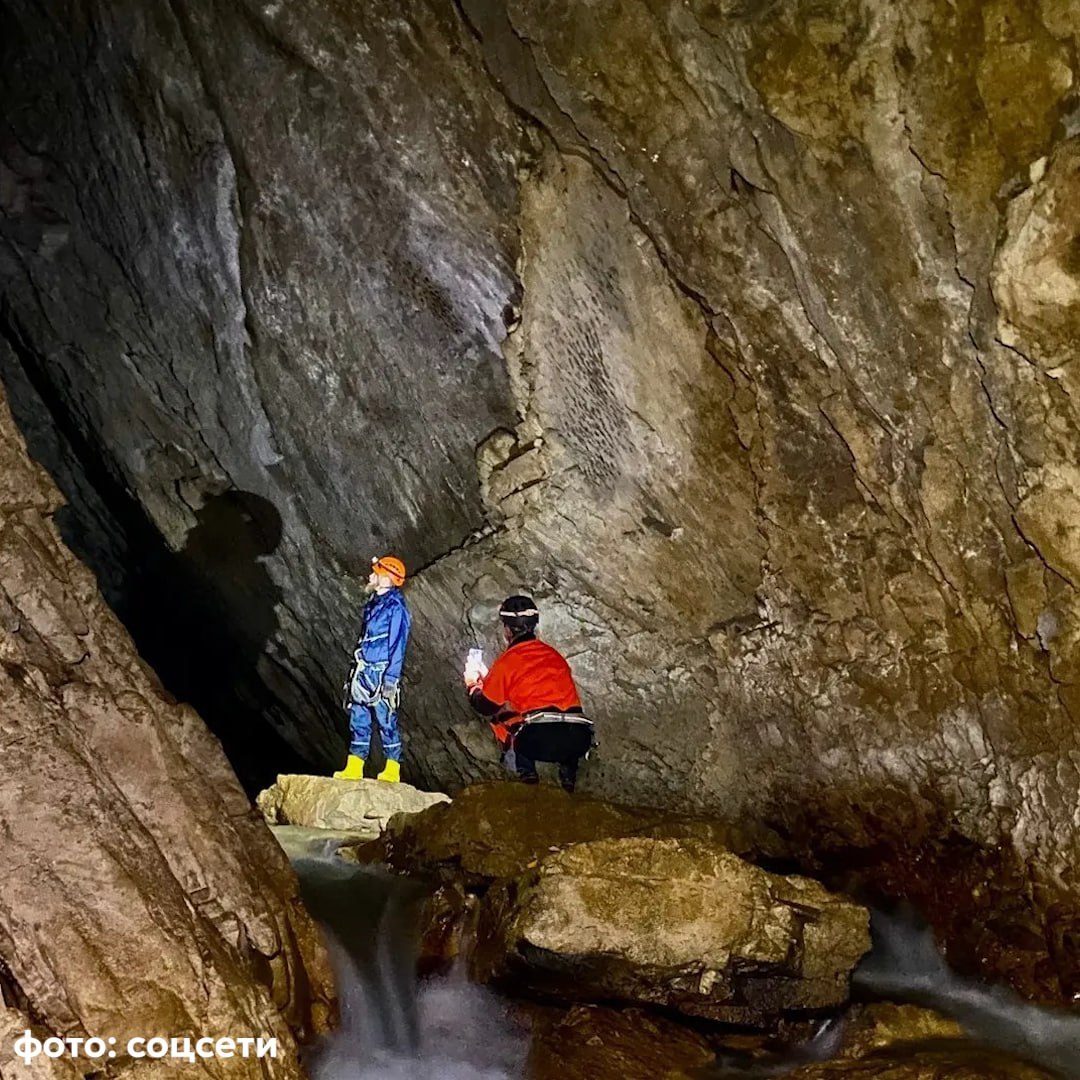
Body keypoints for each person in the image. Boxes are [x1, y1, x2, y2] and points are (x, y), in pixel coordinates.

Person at [464, 595, 594, 793]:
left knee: (507, 721)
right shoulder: (554, 655)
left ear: (507, 630)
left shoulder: (508, 661)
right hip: (579, 738)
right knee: (557, 719)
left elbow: (485, 705)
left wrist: (473, 684)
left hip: (539, 739)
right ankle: (568, 776)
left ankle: (527, 777)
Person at [334, 555, 412, 783]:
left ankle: (392, 768)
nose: (370, 575)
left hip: (381, 672)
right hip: (364, 670)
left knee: (385, 718)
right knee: (358, 716)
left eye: (375, 572)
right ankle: (355, 765)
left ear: (386, 578)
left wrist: (391, 679)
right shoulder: (374, 604)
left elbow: (398, 645)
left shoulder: (396, 608)